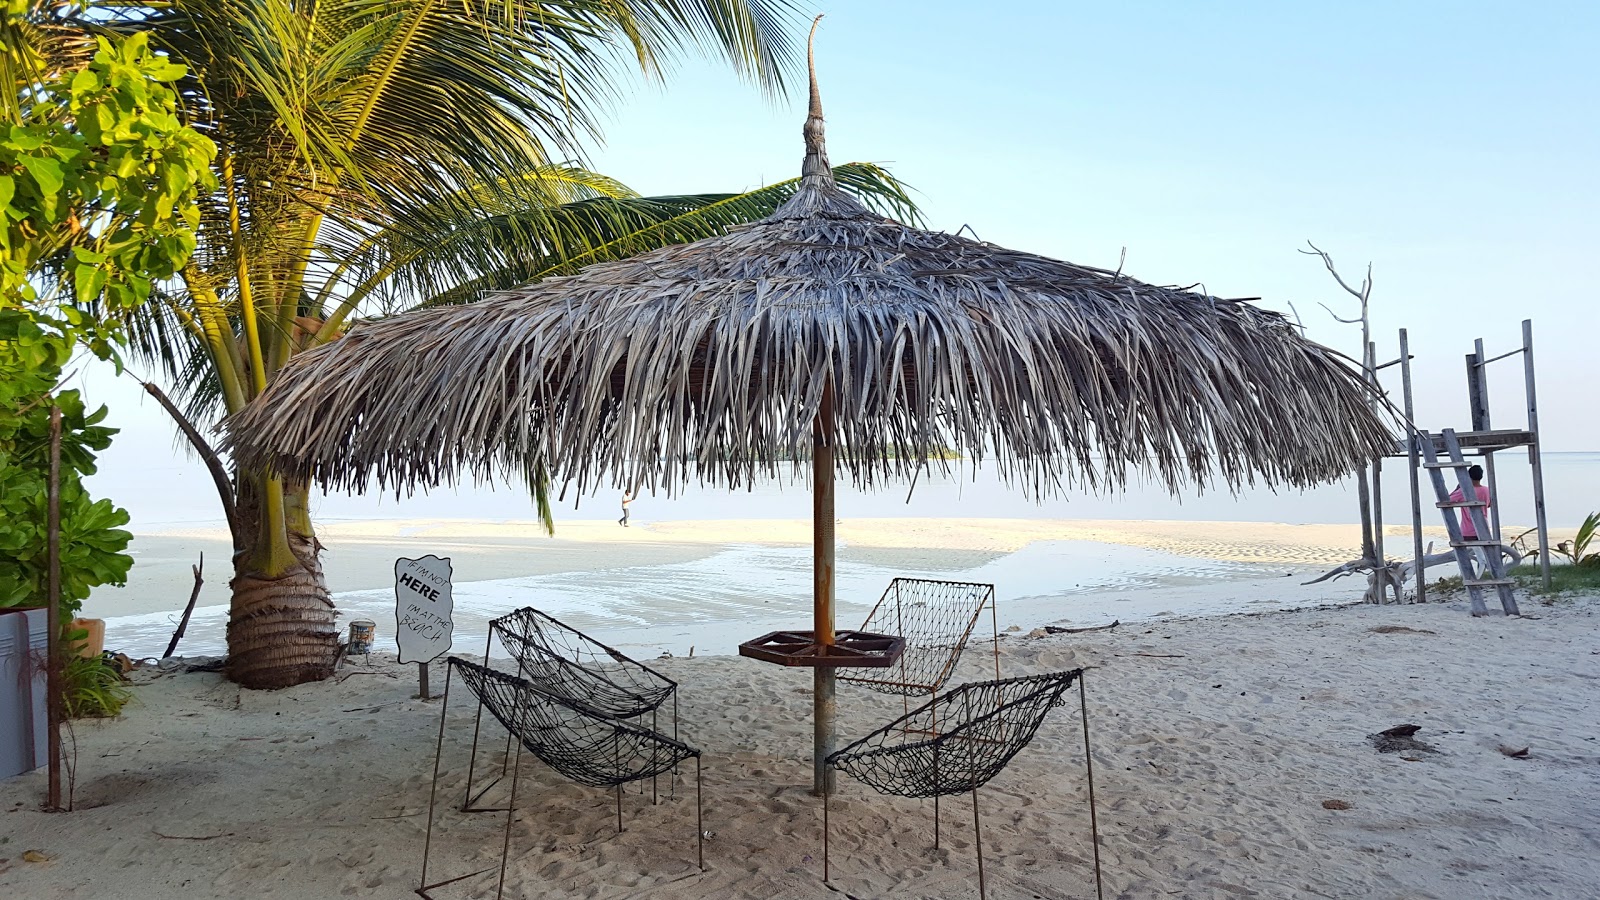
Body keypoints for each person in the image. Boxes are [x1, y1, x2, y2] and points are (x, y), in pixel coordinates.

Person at [1448, 464, 1492, 541]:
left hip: (1468, 531)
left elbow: (1448, 500)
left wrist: (1457, 489)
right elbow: (1489, 504)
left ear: (1469, 476)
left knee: (1468, 552)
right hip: (1484, 528)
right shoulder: (1487, 490)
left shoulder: (1464, 491)